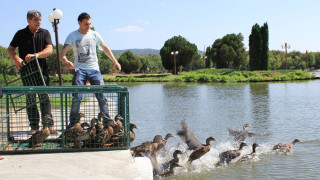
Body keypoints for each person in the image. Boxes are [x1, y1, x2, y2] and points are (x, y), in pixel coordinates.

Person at [60, 12, 121, 127]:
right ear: (79, 23)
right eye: (86, 24)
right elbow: (62, 53)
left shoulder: (94, 34)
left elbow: (105, 48)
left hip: (95, 70)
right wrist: (66, 61)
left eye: (90, 24)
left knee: (102, 96)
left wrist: (115, 61)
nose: (89, 26)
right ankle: (73, 123)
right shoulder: (72, 35)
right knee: (77, 97)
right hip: (80, 70)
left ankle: (106, 122)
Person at [7, 10, 57, 135]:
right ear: (28, 20)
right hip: (27, 72)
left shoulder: (45, 32)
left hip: (42, 71)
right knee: (30, 99)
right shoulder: (20, 34)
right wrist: (17, 59)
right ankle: (34, 126)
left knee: (45, 98)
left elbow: (50, 49)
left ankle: (48, 126)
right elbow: (10, 49)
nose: (39, 22)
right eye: (36, 20)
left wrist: (36, 55)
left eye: (40, 20)